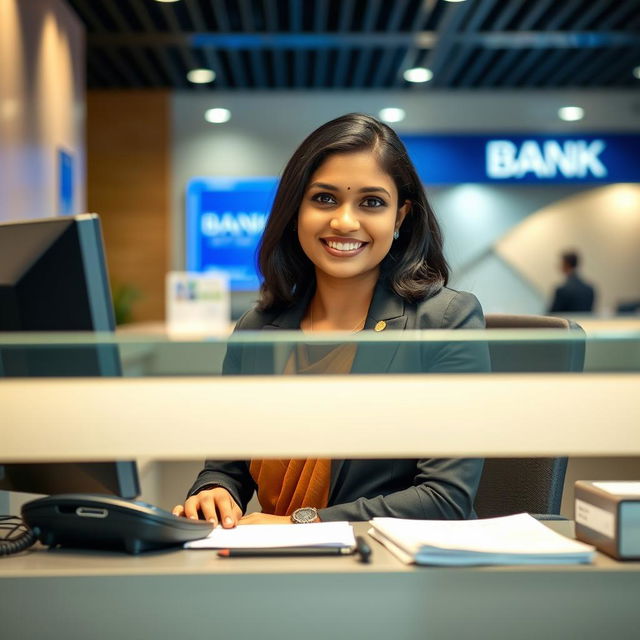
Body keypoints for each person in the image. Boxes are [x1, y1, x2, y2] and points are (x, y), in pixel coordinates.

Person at [173, 113, 490, 527]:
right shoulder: (257, 327)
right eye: (324, 198)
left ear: (399, 218)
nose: (344, 221)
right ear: (296, 209)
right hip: (267, 569)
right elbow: (226, 467)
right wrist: (213, 492)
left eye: (371, 202)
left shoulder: (444, 320)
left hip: (387, 571)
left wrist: (300, 525)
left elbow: (445, 499)